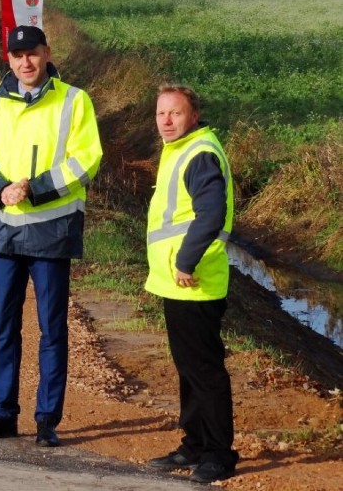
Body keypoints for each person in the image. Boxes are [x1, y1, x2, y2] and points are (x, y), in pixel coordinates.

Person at [0, 25, 102, 447]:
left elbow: (87, 159)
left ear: (47, 53)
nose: (26, 62)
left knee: (51, 329)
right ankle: (3, 413)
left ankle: (46, 420)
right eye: (18, 55)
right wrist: (0, 189)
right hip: (4, 229)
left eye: (33, 54)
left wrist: (35, 188)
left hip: (52, 231)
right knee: (4, 326)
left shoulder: (74, 101)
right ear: (9, 58)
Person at [145, 84, 239, 484]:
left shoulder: (199, 153)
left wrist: (185, 260)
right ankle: (195, 443)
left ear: (193, 116)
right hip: (178, 281)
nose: (166, 121)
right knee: (188, 368)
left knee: (204, 370)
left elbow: (210, 214)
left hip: (194, 279)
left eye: (175, 113)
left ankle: (219, 453)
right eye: (161, 113)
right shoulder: (182, 149)